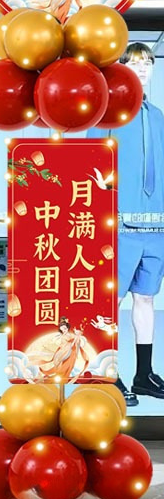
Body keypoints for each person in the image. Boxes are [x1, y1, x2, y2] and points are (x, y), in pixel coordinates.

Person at [89, 43, 164, 404]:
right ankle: (107, 372)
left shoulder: (159, 117)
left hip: (156, 225)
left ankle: (144, 373)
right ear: (122, 69)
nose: (143, 69)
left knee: (145, 298)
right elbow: (91, 168)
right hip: (118, 225)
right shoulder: (106, 115)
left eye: (148, 63)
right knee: (111, 301)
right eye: (135, 63)